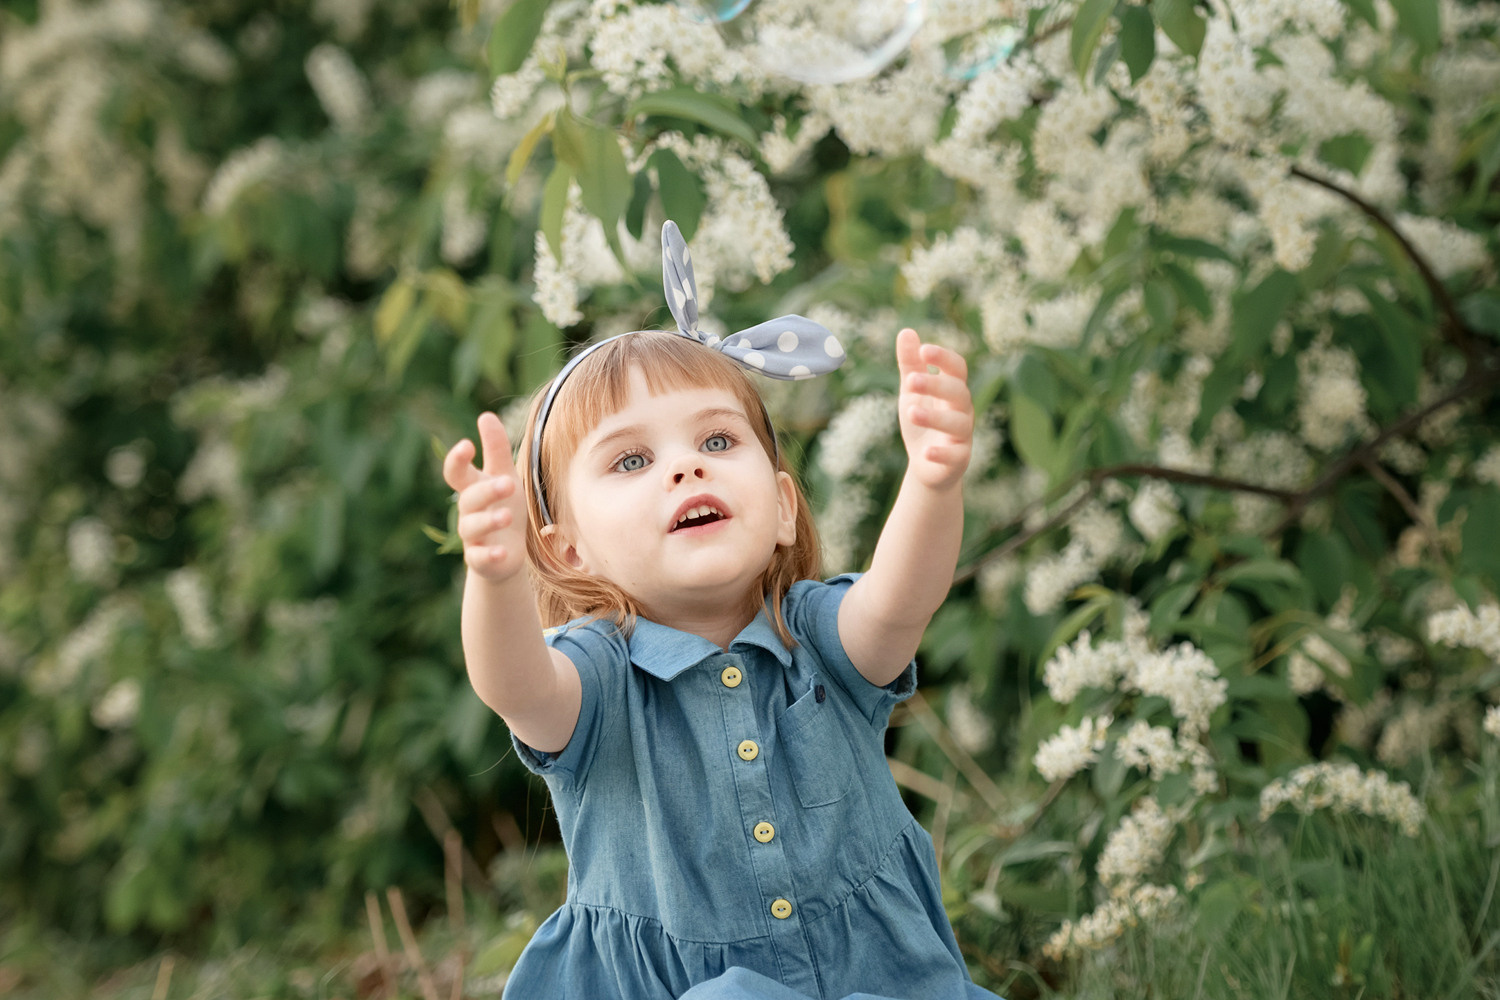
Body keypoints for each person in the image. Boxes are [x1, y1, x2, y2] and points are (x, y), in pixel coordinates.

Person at [442, 222, 997, 1000]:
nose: (686, 465)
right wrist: (495, 575)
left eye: (717, 439)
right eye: (632, 460)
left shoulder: (818, 637)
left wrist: (933, 482)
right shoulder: (597, 682)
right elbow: (516, 685)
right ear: (569, 552)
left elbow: (901, 600)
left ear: (779, 507)